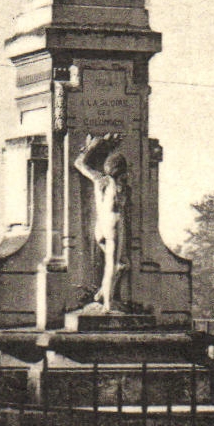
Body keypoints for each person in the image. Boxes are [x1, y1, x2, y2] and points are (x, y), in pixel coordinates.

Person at [74, 133, 131, 311]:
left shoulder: (100, 180)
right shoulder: (120, 186)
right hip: (114, 224)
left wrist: (93, 147)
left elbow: (79, 163)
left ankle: (100, 295)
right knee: (112, 265)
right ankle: (107, 304)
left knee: (121, 265)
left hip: (101, 226)